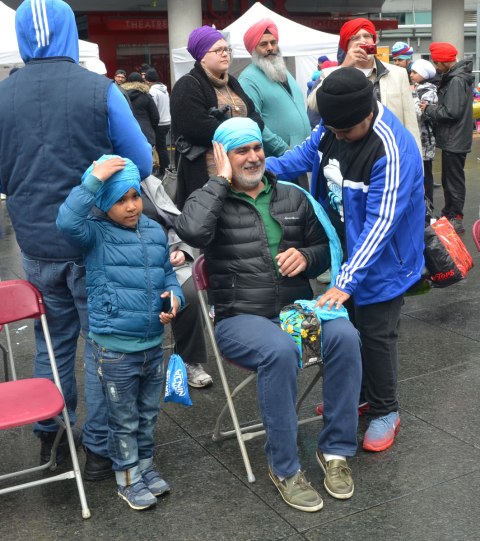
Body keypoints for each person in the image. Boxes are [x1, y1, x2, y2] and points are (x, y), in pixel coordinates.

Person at [175, 117, 362, 512]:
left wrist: (308, 256)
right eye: (241, 150)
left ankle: (335, 452)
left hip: (294, 312)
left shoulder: (292, 196)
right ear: (222, 156)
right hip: (239, 319)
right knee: (277, 350)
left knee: (345, 336)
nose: (254, 156)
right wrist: (220, 179)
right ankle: (285, 467)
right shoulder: (208, 199)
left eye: (257, 147)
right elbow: (191, 232)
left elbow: (326, 250)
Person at [0, 0, 152, 480]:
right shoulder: (99, 89)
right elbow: (141, 164)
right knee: (103, 341)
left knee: (52, 337)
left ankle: (50, 425)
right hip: (93, 240)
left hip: (35, 241)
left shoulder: (3, 95)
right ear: (69, 32)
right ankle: (101, 447)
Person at [267, 68, 425, 453]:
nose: (335, 137)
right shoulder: (330, 128)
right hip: (345, 253)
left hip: (385, 261)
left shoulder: (392, 148)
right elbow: (302, 156)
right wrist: (256, 169)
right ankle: (357, 398)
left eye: (344, 132)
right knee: (348, 328)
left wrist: (346, 280)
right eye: (331, 130)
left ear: (367, 115)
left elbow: (381, 225)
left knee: (375, 334)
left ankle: (387, 410)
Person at [57, 155, 184, 510]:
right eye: (119, 200)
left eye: (134, 197)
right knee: (123, 418)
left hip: (152, 344)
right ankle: (126, 478)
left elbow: (168, 275)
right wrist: (92, 182)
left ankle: (144, 467)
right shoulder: (94, 234)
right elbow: (66, 221)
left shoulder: (154, 231)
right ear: (102, 203)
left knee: (147, 414)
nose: (130, 207)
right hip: (114, 348)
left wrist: (175, 298)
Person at [170, 25, 263, 210]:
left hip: (244, 174)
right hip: (207, 177)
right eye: (218, 50)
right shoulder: (187, 85)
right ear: (202, 57)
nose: (225, 54)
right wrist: (245, 130)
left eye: (227, 49)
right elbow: (196, 128)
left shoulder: (233, 83)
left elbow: (257, 117)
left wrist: (242, 128)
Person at [307, 18, 421, 153]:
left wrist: (417, 159)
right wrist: (343, 68)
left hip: (391, 151)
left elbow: (410, 122)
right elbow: (314, 105)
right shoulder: (330, 73)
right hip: (350, 152)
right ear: (347, 46)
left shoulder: (398, 74)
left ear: (374, 41)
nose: (363, 40)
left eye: (367, 36)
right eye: (355, 37)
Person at [141, 176, 212, 388]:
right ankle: (131, 362)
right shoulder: (99, 180)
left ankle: (188, 360)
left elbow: (177, 223)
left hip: (168, 261)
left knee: (190, 292)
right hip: (128, 267)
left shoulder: (149, 182)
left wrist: (182, 250)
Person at [420, 42, 474, 235]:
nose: (435, 67)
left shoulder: (456, 80)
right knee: (450, 179)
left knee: (453, 180)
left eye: (436, 63)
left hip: (455, 137)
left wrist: (429, 109)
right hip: (456, 136)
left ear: (443, 62)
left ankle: (455, 217)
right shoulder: (457, 78)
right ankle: (450, 213)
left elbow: (451, 112)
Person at [238, 19, 311, 159]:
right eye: (263, 44)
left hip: (300, 155)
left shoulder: (281, 70)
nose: (270, 48)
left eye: (273, 42)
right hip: (279, 159)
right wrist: (281, 148)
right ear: (253, 49)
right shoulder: (248, 80)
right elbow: (253, 122)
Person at [410, 59, 438, 209]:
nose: (411, 74)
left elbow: (420, 114)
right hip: (415, 138)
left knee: (426, 174)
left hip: (425, 140)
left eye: (415, 72)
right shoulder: (416, 88)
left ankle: (428, 206)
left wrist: (412, 94)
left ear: (424, 74)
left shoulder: (430, 92)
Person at [145, 68, 171, 177]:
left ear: (148, 80)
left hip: (159, 123)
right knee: (162, 146)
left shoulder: (153, 91)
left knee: (160, 148)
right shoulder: (164, 90)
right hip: (167, 121)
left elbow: (153, 109)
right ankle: (165, 168)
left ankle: (163, 170)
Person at [123, 72, 159, 149]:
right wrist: (151, 128)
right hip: (146, 133)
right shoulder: (146, 96)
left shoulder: (122, 96)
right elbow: (155, 117)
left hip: (127, 133)